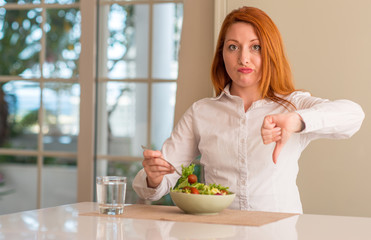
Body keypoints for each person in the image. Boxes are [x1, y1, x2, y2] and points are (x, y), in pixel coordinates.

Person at [132, 6, 365, 214]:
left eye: (255, 47)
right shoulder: (200, 112)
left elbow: (354, 115)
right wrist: (154, 177)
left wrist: (296, 121)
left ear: (270, 52)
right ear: (222, 54)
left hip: (278, 232)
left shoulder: (292, 105)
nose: (243, 58)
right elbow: (155, 184)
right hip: (218, 233)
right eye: (233, 47)